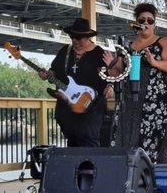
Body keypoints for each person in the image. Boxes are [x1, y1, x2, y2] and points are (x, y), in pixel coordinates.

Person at [111, 3, 167, 172]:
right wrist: (110, 65)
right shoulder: (128, 46)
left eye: (150, 20)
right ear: (136, 23)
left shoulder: (164, 42)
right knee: (131, 136)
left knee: (154, 139)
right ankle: (132, 177)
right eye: (141, 20)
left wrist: (155, 62)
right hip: (132, 99)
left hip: (157, 103)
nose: (146, 23)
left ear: (154, 24)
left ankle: (157, 179)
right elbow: (118, 72)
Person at [39, 18, 114, 147]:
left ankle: (90, 167)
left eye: (79, 39)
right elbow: (55, 70)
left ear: (88, 37)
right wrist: (48, 74)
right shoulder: (65, 52)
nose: (75, 41)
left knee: (89, 141)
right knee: (72, 142)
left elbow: (112, 76)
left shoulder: (100, 54)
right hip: (68, 108)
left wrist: (110, 85)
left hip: (91, 107)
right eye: (72, 37)